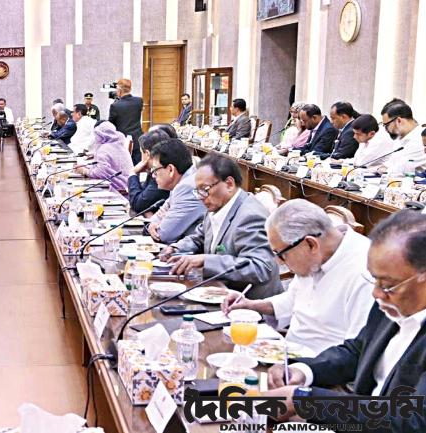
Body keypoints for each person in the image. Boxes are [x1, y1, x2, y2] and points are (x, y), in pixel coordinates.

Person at [263, 210, 426, 430]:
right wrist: (303, 371)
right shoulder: (392, 303)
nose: (376, 293)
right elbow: (356, 351)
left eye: (387, 285)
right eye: (375, 280)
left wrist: (305, 401)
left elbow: (414, 420)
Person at [221, 199, 375, 353]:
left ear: (311, 244)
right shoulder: (315, 254)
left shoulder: (366, 273)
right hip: (287, 351)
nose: (279, 262)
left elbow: (357, 351)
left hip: (322, 362)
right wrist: (251, 305)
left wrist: (301, 366)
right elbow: (293, 299)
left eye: (281, 254)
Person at [161, 154, 282, 299]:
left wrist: (206, 261)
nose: (201, 197)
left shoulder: (250, 216)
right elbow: (200, 237)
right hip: (219, 293)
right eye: (198, 191)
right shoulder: (218, 205)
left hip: (250, 304)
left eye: (205, 189)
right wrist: (176, 248)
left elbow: (260, 268)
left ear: (229, 184)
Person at [145, 139, 206, 244]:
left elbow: (164, 234)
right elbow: (160, 214)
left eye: (155, 170)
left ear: (170, 170)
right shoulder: (182, 181)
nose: (153, 176)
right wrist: (152, 224)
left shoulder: (187, 187)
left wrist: (154, 226)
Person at [74, 122, 133, 193]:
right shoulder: (118, 144)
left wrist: (84, 171)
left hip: (116, 188)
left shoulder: (104, 149)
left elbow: (100, 172)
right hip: (127, 185)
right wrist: (87, 167)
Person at [128, 129, 172, 215]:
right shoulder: (157, 169)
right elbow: (142, 200)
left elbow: (137, 204)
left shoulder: (161, 173)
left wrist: (132, 173)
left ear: (147, 154)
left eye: (141, 153)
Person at [379, 100, 426, 174]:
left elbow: (398, 171)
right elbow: (386, 165)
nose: (385, 129)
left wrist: (385, 169)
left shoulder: (420, 139)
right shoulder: (400, 138)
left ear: (399, 121)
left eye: (387, 125)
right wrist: (384, 169)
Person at [108, 78, 144, 164]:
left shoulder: (115, 106)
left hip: (123, 141)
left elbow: (111, 125)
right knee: (137, 165)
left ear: (119, 90)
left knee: (125, 166)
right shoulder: (139, 101)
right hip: (137, 139)